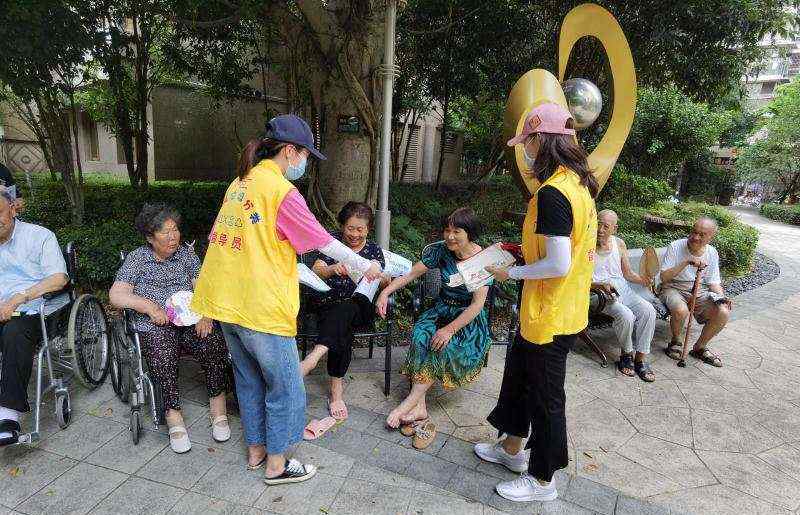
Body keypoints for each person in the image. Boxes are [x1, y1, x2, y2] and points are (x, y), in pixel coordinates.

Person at [191, 114, 381, 485]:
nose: (304, 164)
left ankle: (256, 450)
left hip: (227, 302)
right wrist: (364, 266)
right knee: (286, 385)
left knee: (249, 379)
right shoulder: (279, 191)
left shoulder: (240, 184)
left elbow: (223, 241)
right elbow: (322, 241)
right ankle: (277, 466)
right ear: (291, 151)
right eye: (304, 155)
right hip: (261, 306)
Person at [475, 103, 598, 502]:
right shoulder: (577, 185)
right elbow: (562, 249)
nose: (523, 150)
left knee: (546, 398)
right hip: (550, 310)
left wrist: (509, 273)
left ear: (540, 140)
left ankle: (543, 479)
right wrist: (518, 252)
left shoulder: (554, 193)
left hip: (551, 314)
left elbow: (559, 263)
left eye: (526, 141)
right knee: (519, 380)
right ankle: (511, 449)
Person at [109, 204, 232, 454]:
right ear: (149, 237)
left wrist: (205, 315)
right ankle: (173, 414)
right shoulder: (137, 259)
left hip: (191, 321)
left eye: (175, 230)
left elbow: (203, 288)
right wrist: (148, 307)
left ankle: (218, 408)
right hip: (157, 323)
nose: (173, 237)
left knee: (214, 343)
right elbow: (117, 294)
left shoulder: (186, 256)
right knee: (162, 353)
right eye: (164, 232)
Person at [375, 207, 492, 450]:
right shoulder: (441, 250)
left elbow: (477, 305)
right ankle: (420, 408)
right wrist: (385, 291)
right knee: (420, 335)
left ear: (470, 233)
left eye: (456, 231)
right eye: (447, 230)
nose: (449, 236)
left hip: (466, 319)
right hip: (441, 309)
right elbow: (411, 274)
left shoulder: (483, 260)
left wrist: (448, 330)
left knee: (441, 345)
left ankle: (408, 404)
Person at [299, 201, 389, 420]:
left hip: (361, 308)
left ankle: (315, 356)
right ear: (342, 226)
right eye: (350, 228)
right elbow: (316, 271)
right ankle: (336, 392)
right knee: (342, 323)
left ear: (368, 229)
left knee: (348, 309)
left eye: (360, 229)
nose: (355, 234)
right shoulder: (333, 244)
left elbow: (388, 282)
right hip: (328, 305)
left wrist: (380, 276)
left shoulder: (374, 250)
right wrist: (332, 268)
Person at [0, 184, 69, 445]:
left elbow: (59, 278)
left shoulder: (40, 237)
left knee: (14, 332)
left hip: (35, 311)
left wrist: (21, 297)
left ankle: (8, 416)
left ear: (13, 209)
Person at [591, 209, 657, 382]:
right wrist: (600, 285)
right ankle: (626, 354)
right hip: (598, 292)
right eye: (598, 224)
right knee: (625, 315)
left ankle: (640, 359)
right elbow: (578, 279)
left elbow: (627, 273)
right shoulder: (585, 243)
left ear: (615, 228)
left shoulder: (619, 243)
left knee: (649, 310)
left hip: (622, 290)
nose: (600, 229)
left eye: (605, 226)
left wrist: (644, 280)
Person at [660, 217, 731, 367]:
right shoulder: (675, 246)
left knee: (723, 312)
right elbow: (664, 277)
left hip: (699, 290)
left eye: (702, 235)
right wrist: (686, 262)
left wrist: (722, 298)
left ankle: (699, 347)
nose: (695, 237)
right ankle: (676, 341)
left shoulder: (712, 252)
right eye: (694, 232)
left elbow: (714, 282)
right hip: (673, 287)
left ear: (710, 237)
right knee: (681, 310)